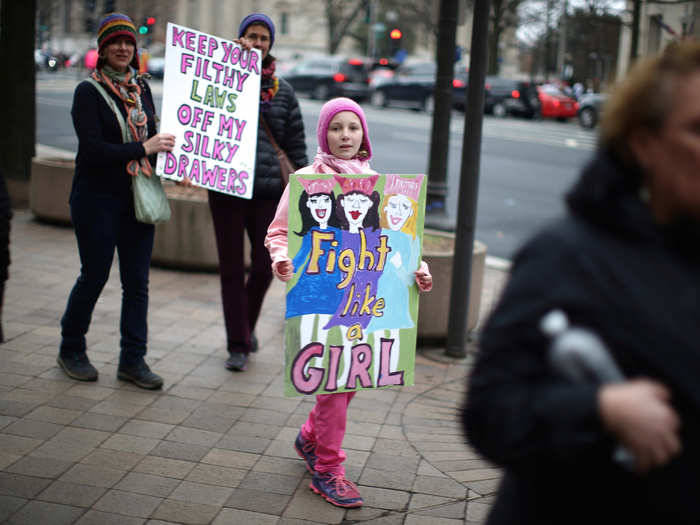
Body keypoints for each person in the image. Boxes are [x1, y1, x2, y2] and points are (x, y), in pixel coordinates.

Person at [462, 40, 700, 525]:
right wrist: (600, 409)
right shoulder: (566, 256)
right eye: (698, 129)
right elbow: (489, 411)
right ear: (643, 143)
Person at [265, 97, 432, 508]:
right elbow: (278, 233)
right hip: (323, 302)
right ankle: (328, 469)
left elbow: (399, 242)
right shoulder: (307, 180)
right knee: (335, 387)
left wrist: (418, 269)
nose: (345, 136)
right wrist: (281, 259)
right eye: (336, 128)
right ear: (324, 133)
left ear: (363, 135)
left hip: (364, 299)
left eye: (352, 128)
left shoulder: (377, 182)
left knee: (349, 379)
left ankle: (309, 438)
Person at [58, 13, 175, 390]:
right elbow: (92, 151)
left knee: (137, 283)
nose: (123, 48)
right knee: (93, 275)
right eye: (115, 42)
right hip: (96, 198)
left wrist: (171, 158)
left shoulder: (141, 88)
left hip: (137, 198)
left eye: (128, 43)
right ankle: (71, 348)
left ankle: (133, 360)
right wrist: (143, 147)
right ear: (103, 49)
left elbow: (154, 138)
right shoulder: (87, 92)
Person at [208, 13, 307, 372]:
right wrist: (229, 63)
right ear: (241, 38)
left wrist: (307, 188)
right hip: (226, 189)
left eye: (264, 37)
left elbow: (295, 145)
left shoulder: (284, 93)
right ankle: (238, 344)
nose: (258, 42)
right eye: (252, 35)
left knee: (266, 267)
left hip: (268, 192)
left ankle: (244, 329)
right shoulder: (223, 78)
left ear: (271, 45)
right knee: (231, 268)